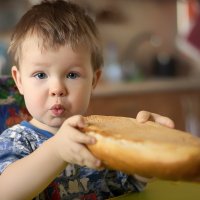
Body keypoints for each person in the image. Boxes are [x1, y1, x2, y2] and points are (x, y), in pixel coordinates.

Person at [0, 1, 175, 199]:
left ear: (94, 80)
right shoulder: (16, 140)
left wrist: (147, 151)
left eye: (72, 75)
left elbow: (127, 184)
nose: (57, 89)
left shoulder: (100, 139)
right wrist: (57, 150)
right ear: (19, 81)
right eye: (40, 75)